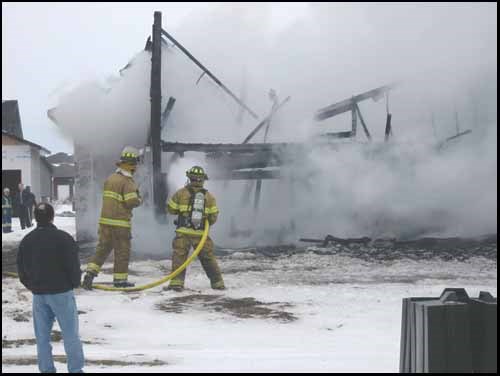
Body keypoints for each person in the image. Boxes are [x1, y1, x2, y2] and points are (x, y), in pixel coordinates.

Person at [16, 203, 84, 373]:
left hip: (39, 296)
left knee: (42, 338)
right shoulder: (63, 238)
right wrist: (75, 282)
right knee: (70, 336)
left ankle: (46, 370)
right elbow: (73, 265)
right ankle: (75, 370)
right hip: (61, 293)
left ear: (35, 218)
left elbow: (21, 269)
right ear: (52, 217)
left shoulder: (27, 240)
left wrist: (32, 286)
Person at [82, 146, 142, 289]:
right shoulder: (127, 181)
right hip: (120, 224)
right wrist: (140, 199)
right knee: (122, 251)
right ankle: (120, 281)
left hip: (105, 223)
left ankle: (90, 274)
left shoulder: (111, 178)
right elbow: (131, 201)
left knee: (102, 249)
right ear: (132, 165)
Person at [165, 165, 225, 291]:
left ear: (189, 178)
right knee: (208, 259)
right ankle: (218, 284)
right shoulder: (209, 197)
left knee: (179, 258)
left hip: (183, 233)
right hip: (201, 234)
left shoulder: (180, 193)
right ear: (202, 180)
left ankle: (176, 284)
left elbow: (170, 210)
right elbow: (213, 218)